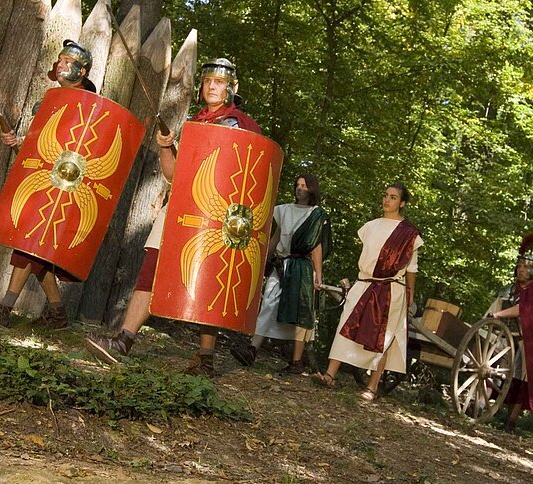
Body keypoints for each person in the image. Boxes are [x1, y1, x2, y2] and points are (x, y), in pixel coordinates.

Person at [87, 58, 261, 375]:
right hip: (180, 208)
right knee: (152, 268)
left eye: (219, 82)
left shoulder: (242, 126)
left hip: (217, 216)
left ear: (231, 89)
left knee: (210, 279)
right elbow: (173, 176)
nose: (211, 86)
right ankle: (124, 340)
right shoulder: (194, 124)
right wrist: (166, 148)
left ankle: (205, 359)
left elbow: (250, 177)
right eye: (207, 81)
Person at [0, 40, 97, 329]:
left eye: (68, 61)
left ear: (83, 69)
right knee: (35, 248)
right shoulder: (52, 100)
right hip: (43, 183)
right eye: (61, 59)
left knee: (30, 246)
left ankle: (5, 308)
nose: (62, 65)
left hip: (67, 191)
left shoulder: (90, 108)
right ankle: (57, 314)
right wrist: (17, 143)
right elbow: (39, 152)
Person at [312, 183, 422, 401]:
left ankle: (371, 387)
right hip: (364, 284)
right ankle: (330, 375)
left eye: (393, 197)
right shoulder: (370, 226)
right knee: (346, 326)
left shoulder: (409, 234)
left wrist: (410, 295)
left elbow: (411, 268)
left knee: (385, 337)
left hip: (392, 289)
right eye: (385, 195)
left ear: (402, 203)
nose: (387, 200)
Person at [230, 173, 331, 374]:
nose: (299, 188)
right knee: (268, 303)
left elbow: (317, 247)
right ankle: (252, 349)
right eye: (297, 185)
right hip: (281, 264)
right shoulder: (283, 210)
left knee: (301, 313)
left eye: (304, 185)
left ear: (312, 189)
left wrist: (318, 275)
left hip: (302, 267)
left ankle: (296, 362)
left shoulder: (317, 214)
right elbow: (275, 239)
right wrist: (263, 262)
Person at [489, 234, 533, 431]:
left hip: (529, 342)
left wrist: (499, 314)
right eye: (520, 266)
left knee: (520, 378)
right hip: (504, 338)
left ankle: (511, 420)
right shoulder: (510, 290)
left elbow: (524, 310)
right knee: (493, 370)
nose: (522, 270)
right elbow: (495, 307)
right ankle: (484, 407)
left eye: (526, 268)